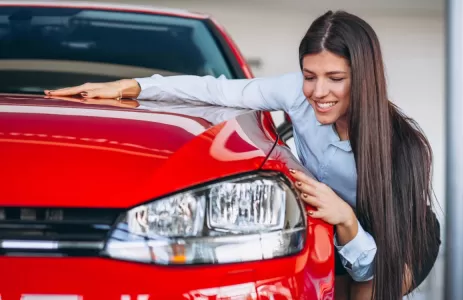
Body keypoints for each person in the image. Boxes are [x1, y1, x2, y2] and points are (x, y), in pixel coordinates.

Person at [45, 10, 441, 300]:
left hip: (397, 237)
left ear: (365, 77)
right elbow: (217, 92)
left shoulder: (402, 148)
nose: (319, 92)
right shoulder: (296, 94)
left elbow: (373, 263)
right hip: (334, 220)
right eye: (309, 76)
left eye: (336, 79)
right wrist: (130, 86)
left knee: (365, 289)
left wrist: (347, 220)